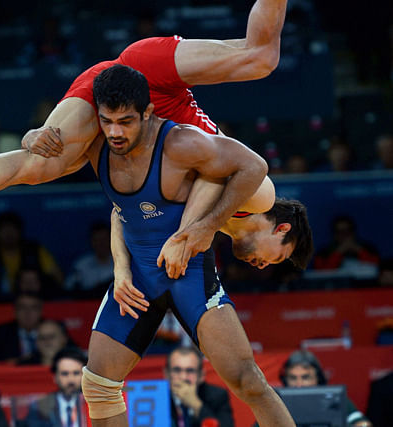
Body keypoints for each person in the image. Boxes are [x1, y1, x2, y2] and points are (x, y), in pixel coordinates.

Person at [0, 0, 290, 274]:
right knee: (260, 57)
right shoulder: (257, 198)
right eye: (278, 256)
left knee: (40, 161)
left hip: (120, 112)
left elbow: (123, 206)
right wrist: (201, 230)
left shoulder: (206, 217)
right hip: (156, 84)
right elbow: (247, 169)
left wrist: (122, 271)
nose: (263, 266)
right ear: (282, 227)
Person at [78, 65, 302, 426]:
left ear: (147, 113)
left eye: (125, 120)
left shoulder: (194, 152)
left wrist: (199, 231)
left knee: (248, 381)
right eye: (110, 121)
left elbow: (250, 168)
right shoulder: (116, 148)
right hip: (138, 280)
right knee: (98, 385)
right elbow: (121, 213)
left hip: (190, 277)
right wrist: (120, 271)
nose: (116, 131)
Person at [0, 211, 63, 298]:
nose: (9, 234)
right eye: (4, 230)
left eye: (13, 230)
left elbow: (57, 275)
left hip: (32, 300)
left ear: (20, 231)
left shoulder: (34, 249)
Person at [279, 350, 371, 427]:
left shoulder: (333, 398)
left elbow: (363, 423)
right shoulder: (276, 402)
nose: (299, 384)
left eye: (305, 378)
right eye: (293, 378)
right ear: (285, 379)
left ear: (318, 378)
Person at [165, 346, 234, 427]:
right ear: (166, 374)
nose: (183, 377)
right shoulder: (156, 398)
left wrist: (196, 404)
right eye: (177, 370)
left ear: (201, 375)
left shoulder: (217, 396)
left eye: (190, 370)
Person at [23, 348, 89, 427]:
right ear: (55, 377)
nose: (71, 379)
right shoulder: (39, 407)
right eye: (65, 374)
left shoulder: (94, 404)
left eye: (76, 373)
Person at [0, 292, 43, 366]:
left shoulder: (53, 329)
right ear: (14, 311)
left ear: (40, 311)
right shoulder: (3, 332)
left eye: (33, 307)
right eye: (22, 307)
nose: (28, 312)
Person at [313, 215, 380, 274]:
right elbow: (321, 273)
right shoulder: (323, 253)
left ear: (353, 232)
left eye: (347, 231)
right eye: (339, 232)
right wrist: (338, 253)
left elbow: (376, 268)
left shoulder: (369, 249)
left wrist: (359, 250)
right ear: (334, 234)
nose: (343, 235)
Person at [65, 221, 114, 299]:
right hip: (86, 307)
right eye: (97, 240)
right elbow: (69, 289)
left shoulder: (121, 263)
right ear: (91, 241)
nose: (101, 243)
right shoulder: (81, 265)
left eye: (104, 239)